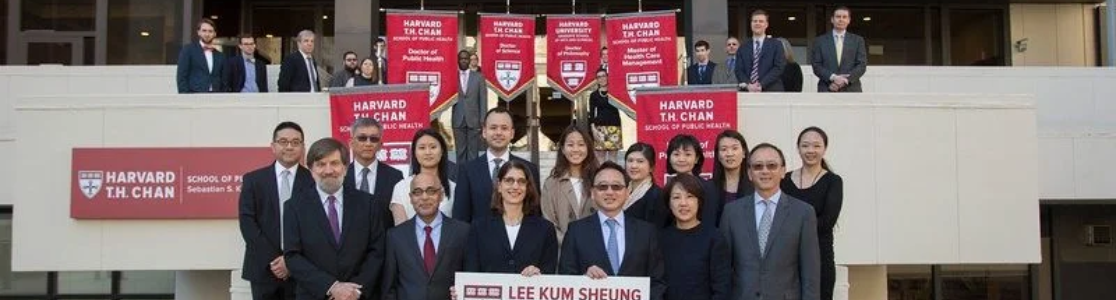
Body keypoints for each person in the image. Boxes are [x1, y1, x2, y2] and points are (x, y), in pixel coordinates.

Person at [283, 138, 388, 300]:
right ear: (310, 169)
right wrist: (331, 287)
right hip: (314, 295)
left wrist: (356, 290)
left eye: (334, 163)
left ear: (345, 168)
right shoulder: (294, 207)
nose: (328, 170)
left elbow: (377, 251)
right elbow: (293, 256)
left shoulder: (368, 204)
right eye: (320, 164)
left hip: (359, 295)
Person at [720, 143, 820, 300]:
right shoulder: (732, 212)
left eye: (772, 166)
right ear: (750, 173)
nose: (765, 171)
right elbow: (723, 269)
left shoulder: (803, 213)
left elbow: (810, 272)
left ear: (782, 171)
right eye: (758, 166)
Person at [558, 161, 666, 300]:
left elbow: (657, 282)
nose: (610, 192)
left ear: (627, 193)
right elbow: (566, 280)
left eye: (616, 186)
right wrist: (583, 281)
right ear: (592, 193)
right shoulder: (576, 231)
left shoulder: (647, 232)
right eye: (602, 187)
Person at [238, 122, 314, 300]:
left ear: (303, 147)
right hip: (263, 268)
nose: (289, 146)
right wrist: (276, 260)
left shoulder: (313, 181)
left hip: (304, 268)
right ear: (273, 146)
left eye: (296, 142)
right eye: (283, 141)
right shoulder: (253, 180)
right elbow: (248, 224)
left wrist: (291, 261)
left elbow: (316, 227)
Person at [382, 172, 470, 300]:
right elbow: (389, 288)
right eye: (417, 192)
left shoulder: (462, 232)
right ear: (411, 198)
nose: (424, 197)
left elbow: (469, 280)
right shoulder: (395, 236)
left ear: (441, 195)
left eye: (431, 191)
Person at [781, 127, 843, 300]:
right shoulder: (784, 180)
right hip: (787, 257)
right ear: (798, 148)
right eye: (805, 145)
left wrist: (792, 229)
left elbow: (827, 222)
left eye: (816, 146)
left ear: (824, 149)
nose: (810, 150)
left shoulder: (833, 181)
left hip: (819, 256)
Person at [464, 161, 559, 274]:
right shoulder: (479, 228)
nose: (515, 186)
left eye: (521, 181)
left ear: (527, 188)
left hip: (529, 290)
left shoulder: (545, 229)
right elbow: (470, 273)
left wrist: (539, 273)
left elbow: (549, 274)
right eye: (509, 180)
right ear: (499, 186)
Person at [454, 107, 541, 223]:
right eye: (493, 128)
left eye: (504, 128)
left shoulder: (529, 169)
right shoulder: (467, 170)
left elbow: (534, 213)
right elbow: (460, 218)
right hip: (480, 240)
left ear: (512, 133)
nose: (498, 133)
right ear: (484, 132)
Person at [660, 173, 731, 300]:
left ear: (699, 201)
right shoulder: (660, 238)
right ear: (669, 203)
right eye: (676, 197)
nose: (683, 203)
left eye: (690, 196)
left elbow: (722, 288)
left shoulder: (714, 238)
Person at [541, 125, 600, 244]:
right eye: (570, 145)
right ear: (562, 149)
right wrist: (569, 245)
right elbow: (549, 222)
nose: (576, 149)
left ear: (588, 148)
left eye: (581, 144)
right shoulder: (551, 183)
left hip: (597, 251)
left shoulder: (599, 181)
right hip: (563, 252)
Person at [343, 118, 403, 228]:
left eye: (374, 139)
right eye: (362, 138)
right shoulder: (341, 176)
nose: (368, 143)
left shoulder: (395, 177)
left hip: (384, 242)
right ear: (351, 143)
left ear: (380, 144)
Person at [390, 128, 456, 225]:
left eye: (433, 147)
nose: (428, 152)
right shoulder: (401, 187)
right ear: (414, 153)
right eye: (422, 148)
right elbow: (401, 232)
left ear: (442, 151)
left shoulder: (454, 188)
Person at [664, 134, 721, 226]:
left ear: (697, 159)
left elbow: (710, 221)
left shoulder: (708, 188)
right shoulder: (668, 187)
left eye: (687, 154)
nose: (681, 159)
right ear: (669, 158)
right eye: (676, 154)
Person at [810, 6, 867, 93]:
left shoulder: (858, 40)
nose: (841, 19)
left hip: (851, 89)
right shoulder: (820, 41)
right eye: (838, 17)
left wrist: (845, 80)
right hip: (827, 87)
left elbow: (861, 65)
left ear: (849, 20)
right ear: (832, 20)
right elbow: (816, 65)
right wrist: (833, 78)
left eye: (844, 17)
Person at [735, 9, 786, 93]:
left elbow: (779, 67)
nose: (757, 23)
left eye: (761, 21)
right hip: (747, 92)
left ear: (766, 25)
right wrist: (748, 85)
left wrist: (761, 84)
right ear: (751, 24)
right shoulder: (743, 47)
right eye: (755, 21)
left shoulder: (776, 45)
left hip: (771, 91)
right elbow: (738, 70)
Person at [453, 50, 487, 164]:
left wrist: (482, 121)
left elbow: (483, 99)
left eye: (466, 59)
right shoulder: (452, 77)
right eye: (461, 59)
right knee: (460, 153)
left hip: (474, 120)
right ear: (457, 61)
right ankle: (461, 179)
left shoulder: (478, 77)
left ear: (469, 61)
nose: (463, 61)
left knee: (473, 153)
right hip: (458, 119)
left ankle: (472, 179)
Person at [623, 142, 669, 228]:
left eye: (640, 161)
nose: (634, 165)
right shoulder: (621, 191)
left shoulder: (658, 196)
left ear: (651, 167)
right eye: (630, 160)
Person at [176, 18, 225, 93]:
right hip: (194, 95)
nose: (207, 34)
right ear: (198, 32)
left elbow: (223, 79)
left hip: (215, 96)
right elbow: (181, 76)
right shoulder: (188, 50)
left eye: (210, 31)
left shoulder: (220, 55)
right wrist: (185, 96)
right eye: (204, 31)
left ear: (215, 34)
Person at [711, 130, 755, 211]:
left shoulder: (756, 186)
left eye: (735, 148)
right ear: (718, 155)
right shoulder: (709, 188)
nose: (729, 154)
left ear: (744, 153)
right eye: (724, 149)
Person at [588, 68, 622, 163]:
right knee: (600, 157)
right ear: (597, 80)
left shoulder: (615, 92)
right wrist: (593, 128)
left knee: (613, 157)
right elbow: (591, 112)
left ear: (607, 77)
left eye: (603, 76)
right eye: (599, 77)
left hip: (614, 126)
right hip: (600, 128)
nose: (602, 78)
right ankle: (602, 177)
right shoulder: (593, 95)